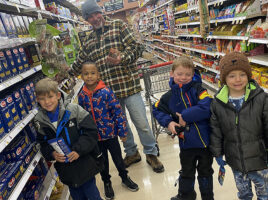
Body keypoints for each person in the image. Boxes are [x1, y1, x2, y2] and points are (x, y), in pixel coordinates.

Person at [71, 0, 164, 173]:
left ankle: (151, 153)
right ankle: (131, 152)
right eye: (90, 16)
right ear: (86, 19)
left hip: (128, 84)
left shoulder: (118, 26)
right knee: (121, 125)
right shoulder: (89, 39)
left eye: (96, 13)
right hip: (108, 93)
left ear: (101, 12)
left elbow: (137, 47)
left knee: (141, 122)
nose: (94, 18)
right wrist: (65, 74)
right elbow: (80, 61)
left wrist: (122, 57)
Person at [153, 56, 214, 200]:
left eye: (188, 74)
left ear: (193, 75)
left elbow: (207, 106)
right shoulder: (168, 97)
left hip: (205, 142)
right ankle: (185, 195)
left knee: (206, 172)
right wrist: (169, 122)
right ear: (172, 73)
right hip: (185, 143)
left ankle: (208, 197)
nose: (183, 77)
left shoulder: (198, 90)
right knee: (186, 171)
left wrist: (185, 115)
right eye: (179, 74)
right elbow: (156, 109)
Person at [210, 52, 268, 200]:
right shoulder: (218, 103)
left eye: (242, 74)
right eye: (231, 76)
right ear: (224, 79)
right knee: (244, 194)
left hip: (260, 160)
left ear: (248, 75)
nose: (238, 79)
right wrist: (217, 152)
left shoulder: (260, 98)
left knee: (264, 194)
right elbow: (216, 130)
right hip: (235, 160)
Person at [34, 77, 103, 200]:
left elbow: (91, 132)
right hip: (66, 170)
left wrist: (78, 150)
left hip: (84, 164)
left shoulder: (74, 110)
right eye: (42, 99)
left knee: (92, 195)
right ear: (37, 100)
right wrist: (52, 154)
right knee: (76, 195)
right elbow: (42, 144)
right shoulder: (40, 121)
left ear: (58, 95)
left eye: (50, 97)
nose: (47, 102)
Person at [78, 62, 139, 199]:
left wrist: (122, 132)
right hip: (94, 138)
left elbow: (118, 112)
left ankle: (124, 177)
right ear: (81, 76)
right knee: (101, 162)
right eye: (86, 74)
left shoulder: (106, 92)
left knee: (118, 158)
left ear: (98, 75)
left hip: (110, 134)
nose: (89, 76)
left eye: (92, 73)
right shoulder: (82, 96)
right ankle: (106, 182)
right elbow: (81, 117)